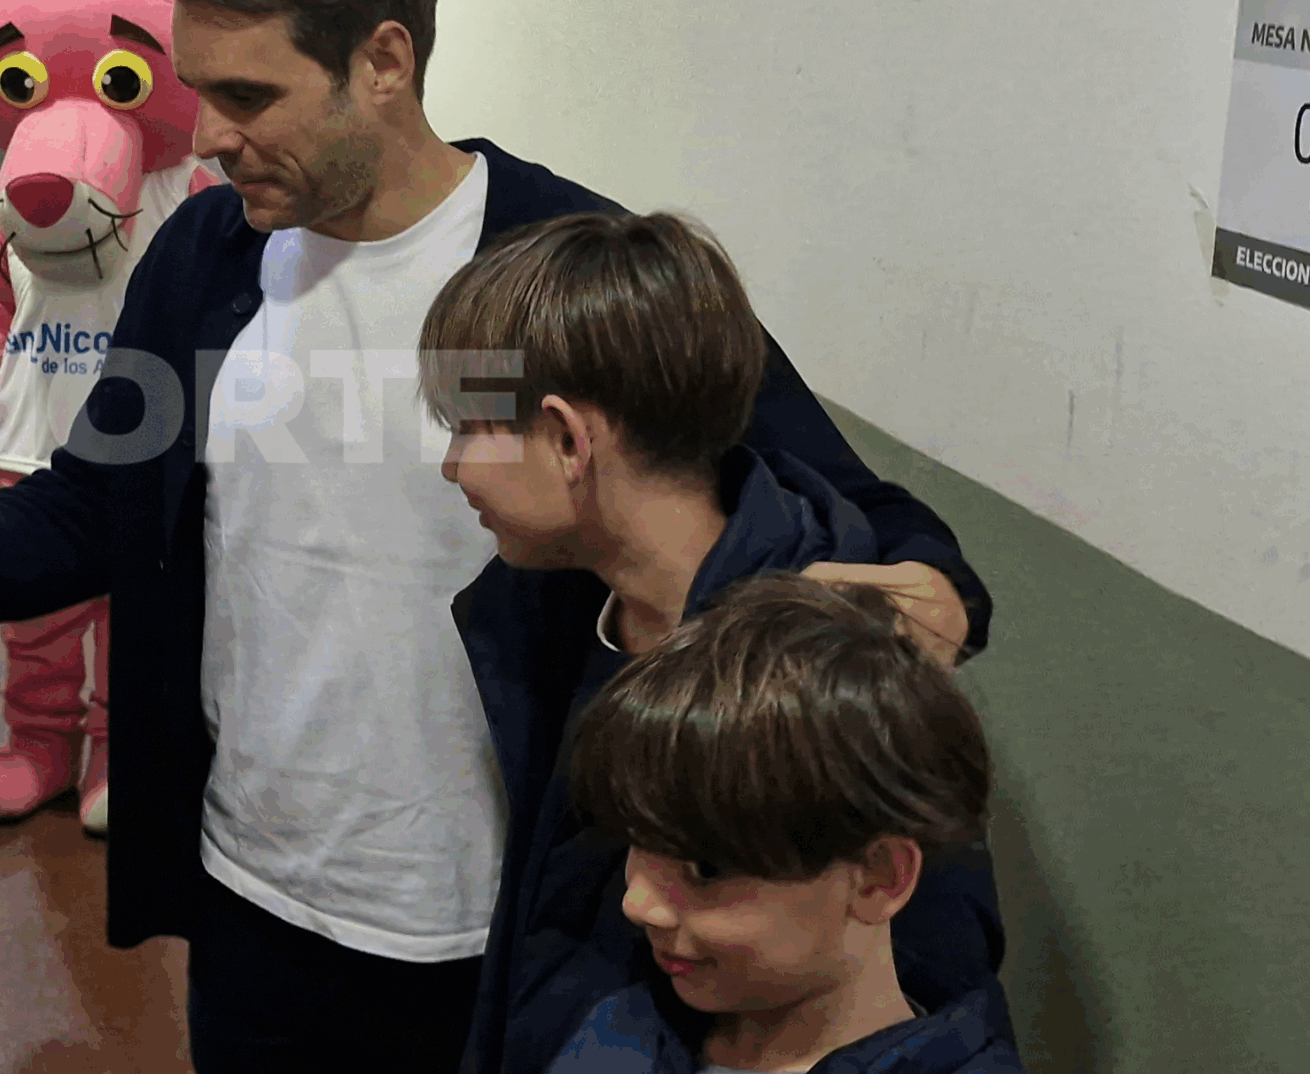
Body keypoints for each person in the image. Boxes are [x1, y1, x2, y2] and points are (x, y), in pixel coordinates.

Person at [0, 0, 993, 1068]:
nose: (214, 132)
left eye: (250, 97)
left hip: (505, 929)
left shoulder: (565, 266)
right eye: (200, 91)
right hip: (258, 902)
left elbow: (871, 512)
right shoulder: (204, 263)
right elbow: (87, 510)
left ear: (385, 60)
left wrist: (930, 583)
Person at [419, 211, 1001, 1073]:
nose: (453, 466)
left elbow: (931, 973)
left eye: (469, 429)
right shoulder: (550, 610)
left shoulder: (823, 676)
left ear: (568, 438)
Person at [550, 574, 1022, 1072]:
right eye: (634, 844)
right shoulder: (620, 1033)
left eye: (705, 868)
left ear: (877, 875)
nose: (638, 904)